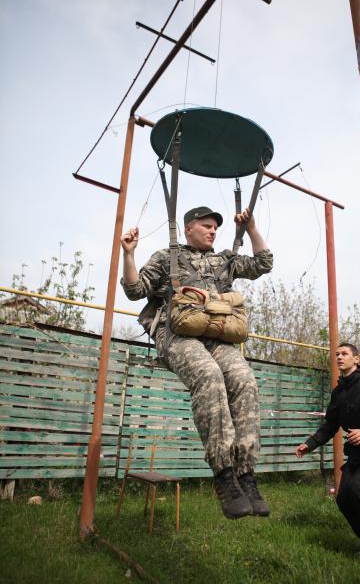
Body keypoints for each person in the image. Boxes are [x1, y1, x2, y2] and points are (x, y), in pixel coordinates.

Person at [120, 206, 273, 519]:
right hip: (178, 334)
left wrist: (253, 228)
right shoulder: (167, 257)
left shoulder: (224, 260)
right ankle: (224, 475)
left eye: (215, 227)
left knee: (245, 381)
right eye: (206, 226)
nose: (212, 231)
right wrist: (129, 254)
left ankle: (245, 474)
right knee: (208, 376)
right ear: (188, 228)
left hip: (218, 336)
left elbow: (263, 263)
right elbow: (136, 290)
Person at [296, 343, 360, 562]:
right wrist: (310, 444)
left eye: (344, 354)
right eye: (337, 354)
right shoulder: (339, 392)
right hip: (358, 454)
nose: (339, 357)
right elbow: (330, 424)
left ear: (357, 359)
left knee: (359, 488)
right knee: (343, 498)